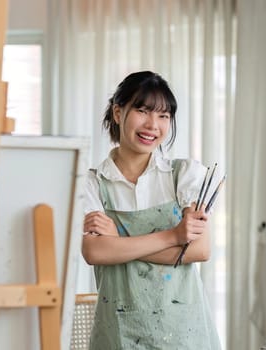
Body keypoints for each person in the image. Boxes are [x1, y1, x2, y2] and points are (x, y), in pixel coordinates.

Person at [82, 71, 221, 349]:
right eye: (143, 111)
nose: (152, 125)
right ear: (118, 113)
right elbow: (95, 252)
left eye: (163, 116)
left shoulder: (184, 175)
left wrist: (118, 243)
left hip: (184, 332)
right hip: (119, 332)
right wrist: (173, 237)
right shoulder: (91, 183)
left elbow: (199, 250)